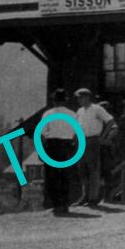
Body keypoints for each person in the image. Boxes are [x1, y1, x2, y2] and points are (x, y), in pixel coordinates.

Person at [35, 88, 77, 216]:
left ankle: (56, 204)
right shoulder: (72, 114)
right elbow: (76, 133)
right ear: (65, 101)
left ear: (54, 101)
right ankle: (65, 204)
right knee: (65, 175)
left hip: (52, 145)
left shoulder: (48, 114)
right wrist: (72, 144)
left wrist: (41, 150)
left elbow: (42, 133)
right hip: (67, 145)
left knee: (52, 175)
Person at [74, 87, 117, 207]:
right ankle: (84, 196)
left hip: (93, 140)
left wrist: (103, 137)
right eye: (78, 98)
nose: (79, 100)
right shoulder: (79, 111)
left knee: (93, 169)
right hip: (82, 141)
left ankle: (93, 198)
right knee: (82, 170)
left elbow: (110, 121)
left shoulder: (97, 109)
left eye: (81, 97)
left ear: (87, 97)